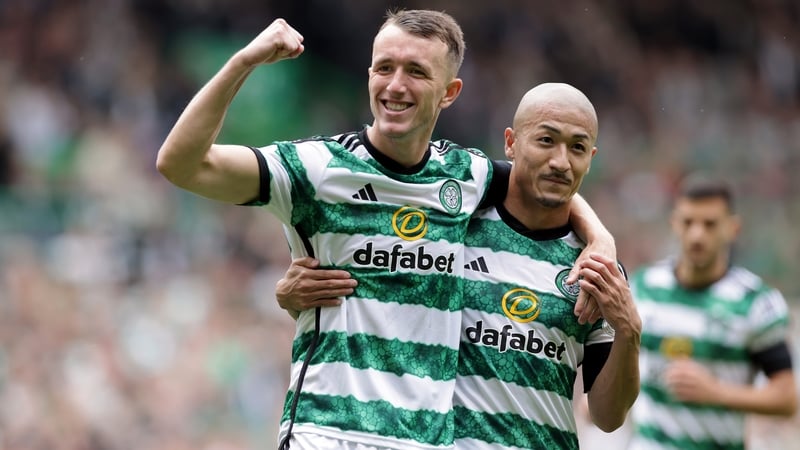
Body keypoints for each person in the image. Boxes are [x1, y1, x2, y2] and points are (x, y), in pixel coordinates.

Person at [156, 9, 613, 450]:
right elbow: (180, 164)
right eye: (385, 68)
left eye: (416, 71)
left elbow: (546, 181)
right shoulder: (317, 169)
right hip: (327, 432)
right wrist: (244, 61)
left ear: (449, 92)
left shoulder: (465, 176)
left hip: (423, 440)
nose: (396, 85)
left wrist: (600, 240)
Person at [277, 83, 643, 449]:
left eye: (577, 148)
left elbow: (608, 418)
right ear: (511, 143)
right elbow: (371, 291)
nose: (561, 161)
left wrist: (629, 333)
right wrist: (293, 293)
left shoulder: (597, 270)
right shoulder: (452, 227)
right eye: (546, 140)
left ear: (591, 156)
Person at [626, 174, 798, 450]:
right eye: (688, 222)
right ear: (674, 224)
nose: (697, 234)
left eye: (710, 224)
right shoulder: (642, 288)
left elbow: (786, 398)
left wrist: (716, 392)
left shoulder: (755, 303)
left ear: (733, 228)